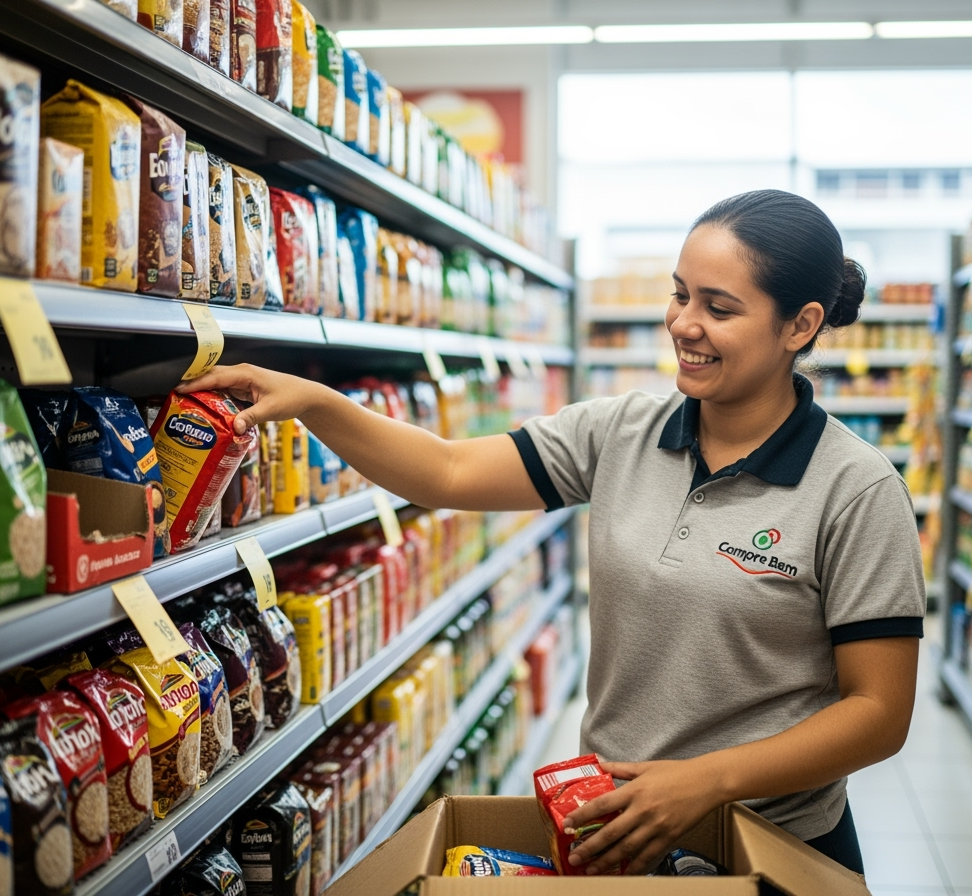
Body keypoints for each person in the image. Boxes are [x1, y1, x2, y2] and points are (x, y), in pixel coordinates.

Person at [179, 189, 924, 877]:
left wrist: (709, 781)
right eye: (679, 293)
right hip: (615, 831)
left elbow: (878, 714)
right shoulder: (619, 433)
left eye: (720, 308)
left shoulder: (855, 489)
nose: (683, 325)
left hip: (775, 845)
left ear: (802, 325)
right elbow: (445, 472)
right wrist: (316, 402)